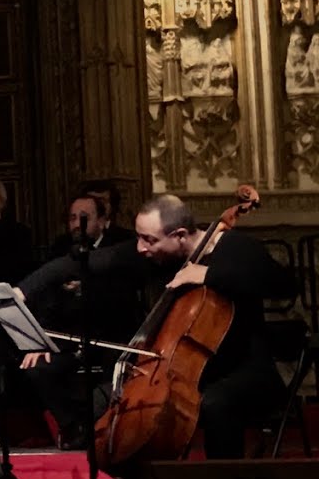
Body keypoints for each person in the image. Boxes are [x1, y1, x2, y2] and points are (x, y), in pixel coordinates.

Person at [17, 193, 293, 462]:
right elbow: (81, 263)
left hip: (243, 369)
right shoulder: (154, 255)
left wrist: (209, 274)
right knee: (106, 408)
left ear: (180, 235)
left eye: (149, 239)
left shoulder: (236, 247)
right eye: (139, 237)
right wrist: (22, 291)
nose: (140, 247)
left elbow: (283, 285)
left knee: (214, 404)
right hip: (183, 371)